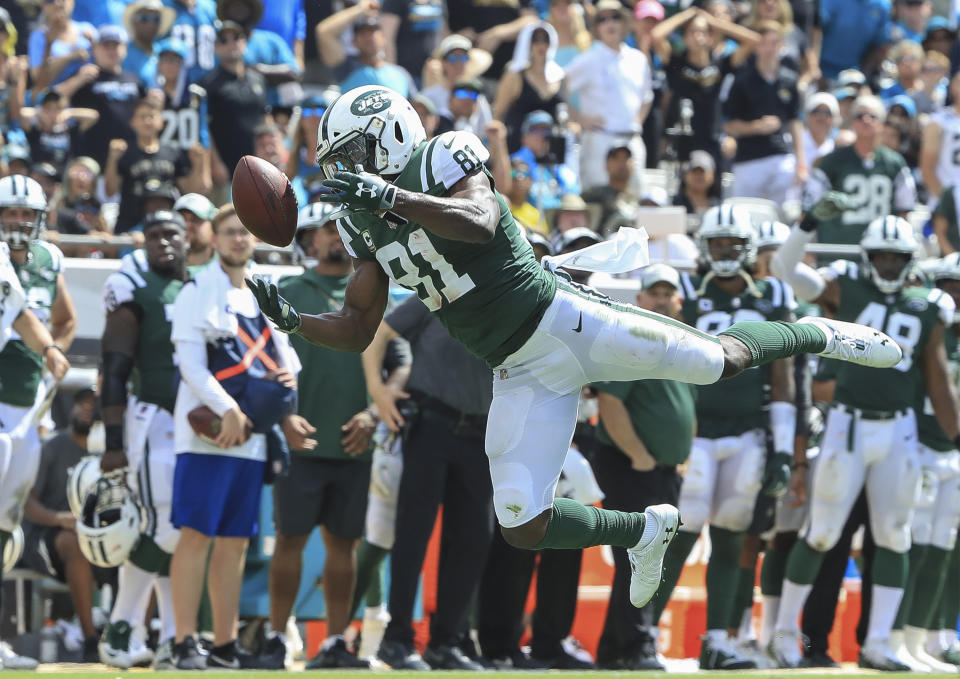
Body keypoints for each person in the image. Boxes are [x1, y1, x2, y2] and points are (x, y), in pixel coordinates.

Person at [247, 87, 903, 625]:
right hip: (517, 367)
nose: (345, 169)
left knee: (716, 360)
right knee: (520, 522)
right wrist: (297, 321)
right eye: (337, 158)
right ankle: (643, 532)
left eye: (354, 152)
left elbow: (476, 220)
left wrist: (393, 197)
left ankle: (818, 331)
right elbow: (361, 325)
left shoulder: (442, 154)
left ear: (389, 134)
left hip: (563, 320)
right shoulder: (361, 222)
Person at [770, 209, 960, 669]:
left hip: (899, 429)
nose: (890, 265)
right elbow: (785, 270)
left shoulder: (928, 303)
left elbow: (936, 379)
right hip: (847, 425)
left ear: (911, 259)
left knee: (895, 536)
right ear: (868, 256)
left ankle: (879, 643)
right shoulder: (846, 286)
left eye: (898, 258)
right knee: (823, 534)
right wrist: (809, 222)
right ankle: (783, 634)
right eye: (883, 257)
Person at [651, 205, 796, 670]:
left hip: (748, 432)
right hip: (698, 431)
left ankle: (718, 638)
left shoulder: (773, 293)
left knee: (733, 537)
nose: (725, 252)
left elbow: (783, 375)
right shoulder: (689, 291)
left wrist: (784, 445)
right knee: (680, 533)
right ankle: (645, 632)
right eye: (717, 244)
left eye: (733, 244)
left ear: (748, 248)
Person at [168, 205, 303, 669]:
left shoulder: (268, 289)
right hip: (208, 433)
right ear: (214, 237)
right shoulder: (194, 290)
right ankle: (184, 640)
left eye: (244, 232)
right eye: (229, 232)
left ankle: (224, 644)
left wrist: (287, 416)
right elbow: (190, 365)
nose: (238, 240)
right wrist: (227, 410)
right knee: (196, 535)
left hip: (252, 437)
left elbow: (290, 364)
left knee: (235, 542)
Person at [258, 203, 375, 671]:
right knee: (289, 539)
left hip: (354, 441)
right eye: (327, 229)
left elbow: (395, 361)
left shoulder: (374, 288)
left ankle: (334, 642)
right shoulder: (289, 290)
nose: (335, 237)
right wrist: (284, 416)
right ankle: (273, 638)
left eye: (341, 228)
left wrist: (373, 414)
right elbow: (265, 361)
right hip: (301, 439)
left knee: (343, 546)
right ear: (309, 239)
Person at [362, 292, 495, 670]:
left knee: (473, 538)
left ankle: (445, 643)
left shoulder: (510, 298)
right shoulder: (441, 291)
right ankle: (397, 639)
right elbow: (377, 335)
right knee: (413, 534)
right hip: (431, 425)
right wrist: (377, 391)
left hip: (482, 433)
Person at [97, 211, 191, 670]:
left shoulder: (198, 285)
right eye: (152, 235)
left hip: (195, 422)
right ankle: (120, 626)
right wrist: (113, 441)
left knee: (182, 530)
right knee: (163, 525)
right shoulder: (134, 287)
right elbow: (112, 369)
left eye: (170, 233)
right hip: (153, 416)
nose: (162, 243)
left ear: (188, 237)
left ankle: (174, 637)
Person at [593, 263, 696, 671]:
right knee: (640, 559)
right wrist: (639, 455)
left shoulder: (683, 342)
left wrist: (680, 455)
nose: (661, 299)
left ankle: (615, 648)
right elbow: (610, 402)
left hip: (663, 469)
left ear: (680, 300)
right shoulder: (633, 337)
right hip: (632, 466)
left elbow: (687, 405)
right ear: (639, 299)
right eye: (654, 292)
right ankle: (637, 646)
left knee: (645, 559)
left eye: (668, 293)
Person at [0, 175, 72, 671]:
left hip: (24, 408)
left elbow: (55, 319)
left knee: (6, 527)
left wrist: (52, 352)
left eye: (27, 214)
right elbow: (23, 316)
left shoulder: (48, 262)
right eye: (10, 212)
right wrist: (46, 347)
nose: (18, 223)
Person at [891, 252, 960, 671]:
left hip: (953, 451)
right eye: (948, 285)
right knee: (912, 544)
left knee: (941, 548)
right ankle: (896, 638)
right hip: (918, 445)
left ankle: (922, 642)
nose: (954, 295)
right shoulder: (927, 332)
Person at [20, 387, 101, 663]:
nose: (86, 409)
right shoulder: (52, 447)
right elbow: (27, 504)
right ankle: (91, 640)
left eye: (93, 405)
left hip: (100, 537)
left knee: (143, 549)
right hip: (47, 536)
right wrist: (59, 519)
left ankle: (128, 633)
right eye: (81, 404)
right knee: (76, 544)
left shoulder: (110, 453)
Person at [564, 0, 653, 195]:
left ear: (625, 23)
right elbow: (562, 89)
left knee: (635, 202)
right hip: (599, 140)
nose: (610, 23)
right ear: (596, 27)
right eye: (603, 19)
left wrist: (637, 120)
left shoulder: (638, 59)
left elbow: (647, 97)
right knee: (596, 201)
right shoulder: (586, 59)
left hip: (632, 141)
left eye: (615, 17)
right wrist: (579, 119)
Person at [804, 96, 916, 249]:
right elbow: (809, 209)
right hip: (837, 252)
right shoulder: (831, 162)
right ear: (852, 122)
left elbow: (904, 212)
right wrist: (808, 246)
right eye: (859, 116)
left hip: (881, 255)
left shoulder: (895, 163)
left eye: (872, 116)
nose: (866, 120)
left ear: (882, 123)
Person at [722, 20, 805, 205]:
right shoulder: (741, 81)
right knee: (741, 215)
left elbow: (795, 122)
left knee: (783, 214)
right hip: (748, 159)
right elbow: (729, 124)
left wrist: (801, 163)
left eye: (775, 42)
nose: (770, 48)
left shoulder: (790, 80)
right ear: (757, 46)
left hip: (781, 155)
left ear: (782, 46)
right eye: (765, 43)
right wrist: (755, 127)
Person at [105, 97, 208, 234]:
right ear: (132, 122)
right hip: (130, 225)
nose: (147, 121)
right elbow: (110, 191)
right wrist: (112, 159)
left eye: (152, 116)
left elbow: (190, 191)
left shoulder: (174, 152)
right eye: (142, 117)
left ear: (162, 121)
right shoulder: (124, 152)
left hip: (167, 223)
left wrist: (198, 164)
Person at [62, 25, 146, 169]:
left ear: (124, 50)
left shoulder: (135, 80)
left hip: (128, 158)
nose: (111, 51)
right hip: (91, 158)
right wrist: (77, 80)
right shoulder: (85, 77)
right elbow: (52, 99)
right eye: (106, 46)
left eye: (115, 46)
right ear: (95, 49)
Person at [199, 20, 268, 183]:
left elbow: (265, 118)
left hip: (258, 165)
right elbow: (205, 129)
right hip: (227, 167)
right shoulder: (208, 84)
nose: (231, 44)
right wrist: (215, 164)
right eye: (224, 40)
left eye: (236, 37)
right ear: (215, 48)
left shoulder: (258, 79)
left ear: (244, 42)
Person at [494, 22, 565, 153]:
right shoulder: (514, 76)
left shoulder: (560, 77)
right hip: (517, 154)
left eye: (545, 40)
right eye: (536, 40)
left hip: (551, 154)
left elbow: (567, 117)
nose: (541, 45)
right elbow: (498, 116)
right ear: (527, 43)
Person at [19, 89, 98, 177]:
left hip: (64, 178)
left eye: (57, 108)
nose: (53, 113)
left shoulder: (70, 131)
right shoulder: (36, 132)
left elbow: (94, 116)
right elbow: (21, 114)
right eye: (49, 109)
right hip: (41, 176)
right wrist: (39, 114)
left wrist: (69, 113)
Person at [27, 0, 93, 90]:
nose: (57, 3)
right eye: (50, 1)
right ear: (43, 6)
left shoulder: (87, 30)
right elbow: (38, 80)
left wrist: (95, 44)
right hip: (56, 99)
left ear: (72, 2)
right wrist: (70, 57)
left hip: (92, 94)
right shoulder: (39, 36)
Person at [921, 70, 960, 214]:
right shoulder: (939, 122)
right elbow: (927, 169)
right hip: (947, 201)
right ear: (953, 86)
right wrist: (947, 203)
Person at [122, 0, 176, 84]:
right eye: (144, 18)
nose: (150, 24)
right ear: (133, 21)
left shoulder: (165, 52)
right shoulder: (123, 54)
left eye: (156, 19)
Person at [174, 192, 216, 268]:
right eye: (181, 219)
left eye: (196, 219)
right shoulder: (159, 268)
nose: (187, 225)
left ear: (213, 226)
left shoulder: (230, 267)